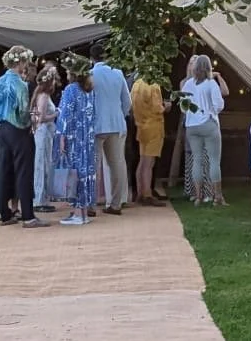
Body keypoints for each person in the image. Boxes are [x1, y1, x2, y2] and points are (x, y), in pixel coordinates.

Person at [0, 45, 46, 227]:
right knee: (24, 170)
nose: (26, 66)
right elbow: (23, 110)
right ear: (20, 63)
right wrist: (29, 124)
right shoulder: (20, 84)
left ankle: (5, 213)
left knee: (4, 170)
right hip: (18, 130)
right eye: (25, 62)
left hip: (2, 130)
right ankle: (28, 216)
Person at [54, 63, 99, 225]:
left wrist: (61, 137)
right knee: (85, 173)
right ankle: (83, 212)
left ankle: (78, 213)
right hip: (87, 138)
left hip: (74, 138)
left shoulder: (70, 90)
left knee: (74, 173)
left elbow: (64, 116)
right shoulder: (90, 91)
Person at [179, 55, 227, 206]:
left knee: (197, 161)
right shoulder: (211, 84)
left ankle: (198, 196)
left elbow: (182, 107)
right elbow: (219, 105)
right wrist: (210, 111)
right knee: (214, 161)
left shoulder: (187, 85)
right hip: (208, 123)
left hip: (192, 126)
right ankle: (217, 197)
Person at [88, 55, 132, 215]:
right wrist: (121, 114)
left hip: (96, 125)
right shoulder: (118, 73)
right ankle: (116, 204)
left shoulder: (90, 74)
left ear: (92, 58)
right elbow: (127, 101)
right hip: (116, 123)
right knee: (117, 164)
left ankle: (90, 205)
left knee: (93, 166)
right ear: (107, 56)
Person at [132, 68, 167, 205]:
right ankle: (147, 194)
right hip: (154, 126)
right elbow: (157, 107)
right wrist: (166, 106)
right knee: (149, 163)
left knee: (142, 161)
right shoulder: (153, 85)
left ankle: (140, 192)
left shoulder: (136, 84)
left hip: (140, 126)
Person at [31, 66, 61, 213]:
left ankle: (43, 198)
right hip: (43, 134)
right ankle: (39, 200)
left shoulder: (44, 96)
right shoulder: (43, 97)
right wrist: (56, 114)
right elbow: (41, 118)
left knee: (46, 164)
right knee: (42, 165)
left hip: (47, 134)